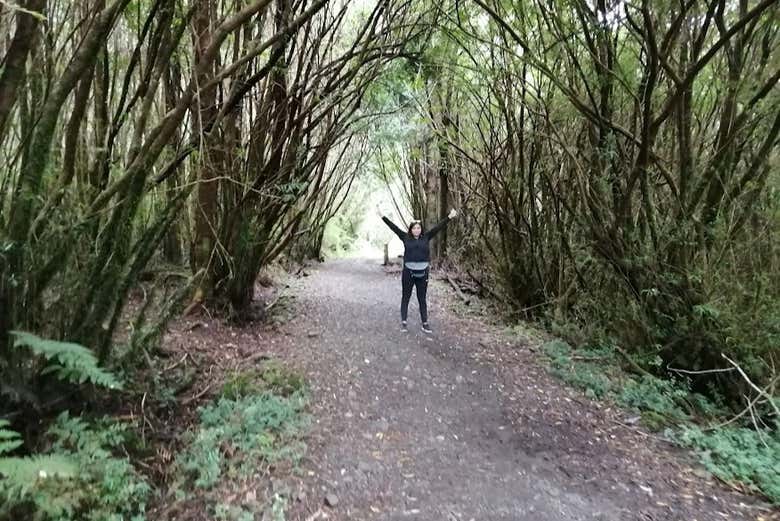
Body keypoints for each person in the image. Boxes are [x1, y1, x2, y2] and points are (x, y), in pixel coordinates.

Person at [380, 208, 458, 333]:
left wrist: (449, 217)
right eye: (414, 228)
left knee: (422, 298)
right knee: (406, 296)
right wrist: (383, 216)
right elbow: (393, 227)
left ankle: (425, 323)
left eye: (418, 228)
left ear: (421, 229)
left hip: (423, 273)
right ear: (411, 229)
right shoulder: (405, 237)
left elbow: (438, 227)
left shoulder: (426, 237)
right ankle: (404, 322)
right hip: (408, 273)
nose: (416, 230)